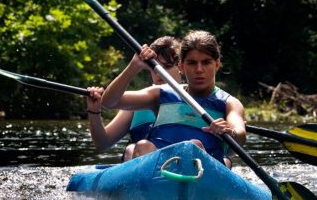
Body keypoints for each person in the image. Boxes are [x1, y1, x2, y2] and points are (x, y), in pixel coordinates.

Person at [102, 30, 246, 168]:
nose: (199, 69)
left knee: (193, 146)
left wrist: (229, 132)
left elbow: (240, 134)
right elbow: (109, 102)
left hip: (203, 174)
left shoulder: (229, 103)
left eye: (206, 62)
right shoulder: (160, 94)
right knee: (143, 146)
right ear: (181, 66)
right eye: (192, 63)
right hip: (158, 173)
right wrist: (134, 66)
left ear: (217, 64)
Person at [85, 36, 182, 161]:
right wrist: (94, 112)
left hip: (177, 165)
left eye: (167, 67)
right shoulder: (138, 102)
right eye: (154, 67)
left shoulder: (197, 100)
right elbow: (102, 144)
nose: (159, 73)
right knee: (131, 149)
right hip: (139, 163)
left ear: (181, 67)